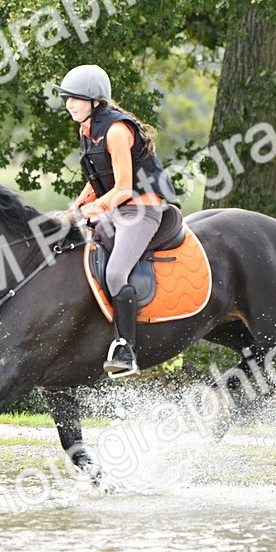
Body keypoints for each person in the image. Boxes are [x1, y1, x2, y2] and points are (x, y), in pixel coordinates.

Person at [54, 64, 179, 378]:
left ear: (95, 101)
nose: (70, 104)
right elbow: (99, 180)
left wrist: (86, 212)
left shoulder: (116, 131)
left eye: (76, 99)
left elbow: (123, 188)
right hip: (117, 208)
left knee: (115, 273)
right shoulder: (88, 130)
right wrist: (75, 208)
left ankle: (126, 349)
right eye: (67, 98)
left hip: (141, 208)